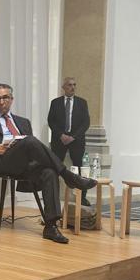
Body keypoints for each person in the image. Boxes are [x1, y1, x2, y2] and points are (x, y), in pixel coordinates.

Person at [0, 83, 97, 244]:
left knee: (49, 172)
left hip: (24, 164)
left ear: (11, 99)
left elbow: (33, 150)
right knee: (29, 141)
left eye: (5, 97)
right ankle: (68, 175)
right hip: (0, 162)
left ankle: (50, 226)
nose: (1, 102)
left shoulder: (23, 122)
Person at [47, 77, 91, 205]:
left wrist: (73, 137)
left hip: (76, 140)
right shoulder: (55, 102)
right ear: (64, 87)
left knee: (80, 167)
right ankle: (52, 195)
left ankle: (82, 197)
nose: (72, 87)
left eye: (74, 85)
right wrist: (61, 135)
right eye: (69, 85)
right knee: (54, 166)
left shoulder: (82, 102)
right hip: (59, 140)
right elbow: (51, 121)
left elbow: (85, 122)